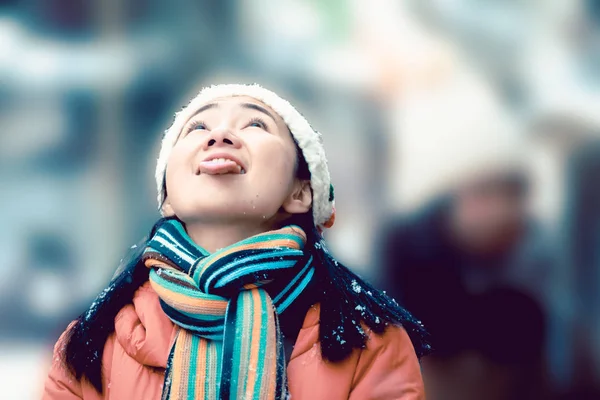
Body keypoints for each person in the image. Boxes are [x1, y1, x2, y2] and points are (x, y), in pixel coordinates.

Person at [42, 83, 429, 400]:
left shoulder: (368, 342)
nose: (219, 135)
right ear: (169, 198)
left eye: (255, 125)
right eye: (197, 128)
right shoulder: (91, 343)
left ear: (301, 192)